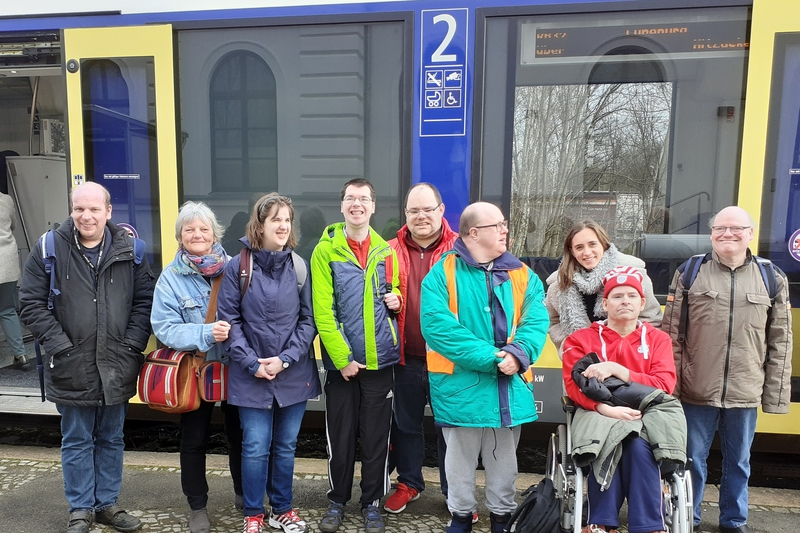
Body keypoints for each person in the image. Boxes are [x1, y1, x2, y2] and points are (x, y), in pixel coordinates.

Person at [19, 182, 155, 533]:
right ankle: (80, 509)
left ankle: (107, 505)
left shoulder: (132, 250)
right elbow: (29, 303)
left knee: (112, 438)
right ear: (72, 210)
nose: (86, 216)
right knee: (77, 439)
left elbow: (144, 302)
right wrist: (60, 346)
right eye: (79, 208)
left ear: (108, 211)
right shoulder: (49, 248)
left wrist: (131, 345)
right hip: (71, 363)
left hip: (117, 362)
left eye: (94, 209)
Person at [662, 206, 793, 533]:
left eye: (736, 228)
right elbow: (671, 335)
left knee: (739, 462)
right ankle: (687, 518)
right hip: (696, 388)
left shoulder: (772, 278)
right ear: (711, 234)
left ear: (750, 234)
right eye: (720, 228)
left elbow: (781, 341)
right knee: (691, 459)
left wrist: (775, 397)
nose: (727, 234)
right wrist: (670, 388)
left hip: (745, 389)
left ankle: (734, 521)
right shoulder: (690, 272)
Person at [420, 202, 549, 533]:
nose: (505, 230)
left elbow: (536, 321)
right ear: (474, 232)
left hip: (505, 386)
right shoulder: (442, 274)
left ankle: (501, 519)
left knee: (504, 462)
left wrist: (518, 354)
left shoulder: (524, 275)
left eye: (505, 224)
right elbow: (439, 329)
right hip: (463, 389)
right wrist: (499, 359)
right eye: (498, 225)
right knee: (458, 462)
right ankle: (461, 517)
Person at [218, 193, 321, 533]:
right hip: (251, 374)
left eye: (287, 219)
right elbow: (229, 322)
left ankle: (282, 509)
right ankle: (253, 513)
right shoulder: (237, 267)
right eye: (275, 219)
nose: (283, 225)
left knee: (286, 446)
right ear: (259, 225)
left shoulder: (299, 266)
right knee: (255, 446)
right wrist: (253, 363)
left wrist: (285, 359)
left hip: (292, 372)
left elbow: (309, 321)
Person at [562, 266, 684, 533]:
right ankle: (602, 523)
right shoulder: (580, 340)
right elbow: (573, 386)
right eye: (617, 296)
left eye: (631, 296)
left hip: (646, 413)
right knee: (610, 442)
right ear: (605, 304)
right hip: (598, 413)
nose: (625, 301)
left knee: (638, 446)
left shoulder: (658, 340)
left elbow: (664, 384)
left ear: (642, 302)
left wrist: (618, 370)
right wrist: (604, 408)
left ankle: (646, 526)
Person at [311, 178, 402, 533]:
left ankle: (372, 504)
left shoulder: (387, 252)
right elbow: (324, 312)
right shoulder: (325, 251)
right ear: (342, 206)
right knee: (341, 436)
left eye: (363, 198)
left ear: (373, 206)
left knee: (377, 439)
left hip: (380, 364)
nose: (357, 204)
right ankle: (337, 501)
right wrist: (343, 359)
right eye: (350, 198)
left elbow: (394, 294)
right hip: (343, 366)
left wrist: (397, 300)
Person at [149, 201, 243, 533]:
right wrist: (205, 333)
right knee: (194, 439)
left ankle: (245, 496)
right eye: (189, 229)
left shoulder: (235, 269)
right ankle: (197, 506)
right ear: (180, 236)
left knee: (241, 436)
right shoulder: (170, 278)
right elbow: (164, 328)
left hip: (235, 366)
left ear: (215, 234)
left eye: (204, 229)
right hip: (195, 370)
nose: (197, 234)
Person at [384, 182, 457, 514]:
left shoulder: (462, 250)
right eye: (414, 210)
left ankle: (455, 492)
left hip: (450, 360)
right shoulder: (388, 251)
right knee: (406, 425)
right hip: (405, 357)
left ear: (441, 211)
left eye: (428, 209)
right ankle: (409, 483)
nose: (421, 216)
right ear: (406, 214)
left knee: (452, 429)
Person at [544, 220, 662, 353]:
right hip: (580, 359)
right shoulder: (560, 284)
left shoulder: (633, 275)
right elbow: (553, 321)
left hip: (628, 360)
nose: (587, 252)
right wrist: (570, 348)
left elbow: (651, 319)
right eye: (579, 247)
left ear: (604, 244)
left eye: (592, 244)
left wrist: (630, 351)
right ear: (572, 251)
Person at [0, 191, 29, 369]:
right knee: (7, 310)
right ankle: (21, 354)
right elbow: (14, 225)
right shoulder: (6, 200)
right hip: (6, 262)